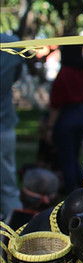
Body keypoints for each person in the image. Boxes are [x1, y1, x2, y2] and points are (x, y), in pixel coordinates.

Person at [49, 44, 83, 194]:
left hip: (67, 116)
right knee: (74, 156)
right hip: (82, 116)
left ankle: (74, 191)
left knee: (67, 158)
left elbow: (56, 103)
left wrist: (49, 126)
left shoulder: (64, 73)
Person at [1, 33, 25, 224]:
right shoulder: (11, 43)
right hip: (5, 123)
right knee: (8, 184)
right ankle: (18, 229)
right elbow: (16, 76)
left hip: (5, 123)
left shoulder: (10, 43)